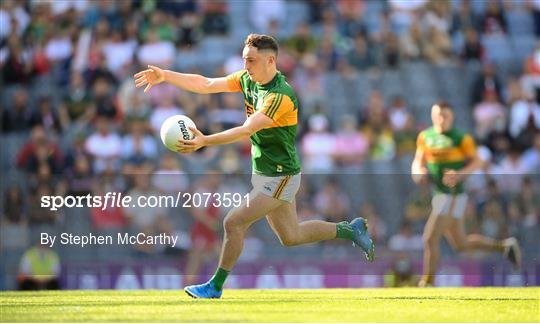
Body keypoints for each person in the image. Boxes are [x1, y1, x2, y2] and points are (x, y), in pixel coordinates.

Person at [134, 34, 375, 298]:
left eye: (251, 60)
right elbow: (205, 84)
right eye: (244, 60)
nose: (246, 65)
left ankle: (214, 286)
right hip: (264, 172)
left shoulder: (280, 95)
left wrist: (205, 140)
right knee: (291, 236)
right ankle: (350, 230)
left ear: (270, 60)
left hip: (281, 175)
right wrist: (166, 76)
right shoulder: (248, 79)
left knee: (233, 223)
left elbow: (247, 130)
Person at [411, 101, 521, 287]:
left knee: (430, 238)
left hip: (454, 194)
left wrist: (460, 174)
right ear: (432, 116)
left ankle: (427, 283)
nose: (441, 119)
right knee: (460, 244)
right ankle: (505, 246)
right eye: (438, 115)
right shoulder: (425, 136)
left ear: (452, 117)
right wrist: (418, 173)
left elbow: (478, 162)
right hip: (439, 194)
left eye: (445, 115)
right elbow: (417, 162)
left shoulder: (461, 138)